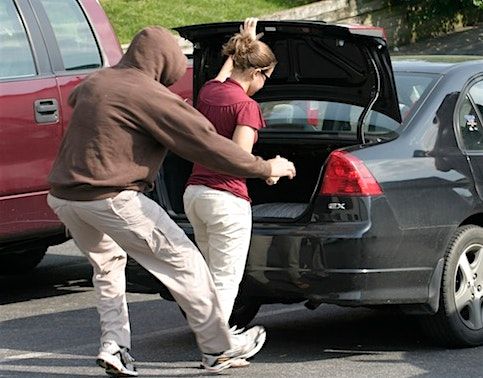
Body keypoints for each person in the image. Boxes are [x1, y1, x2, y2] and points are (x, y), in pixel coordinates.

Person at [47, 26, 296, 376]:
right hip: (112, 196)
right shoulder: (149, 96)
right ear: (164, 64)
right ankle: (217, 350)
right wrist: (265, 166)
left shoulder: (97, 82)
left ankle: (114, 346)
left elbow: (76, 99)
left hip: (64, 197)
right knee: (186, 263)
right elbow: (208, 144)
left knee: (108, 267)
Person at [183, 19, 285, 367]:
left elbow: (226, 70)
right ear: (258, 72)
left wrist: (245, 40)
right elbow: (238, 159)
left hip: (195, 194)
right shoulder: (246, 107)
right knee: (226, 279)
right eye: (266, 78)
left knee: (211, 275)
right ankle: (215, 352)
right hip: (226, 199)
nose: (263, 85)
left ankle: (213, 343)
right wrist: (272, 169)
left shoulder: (210, 91)